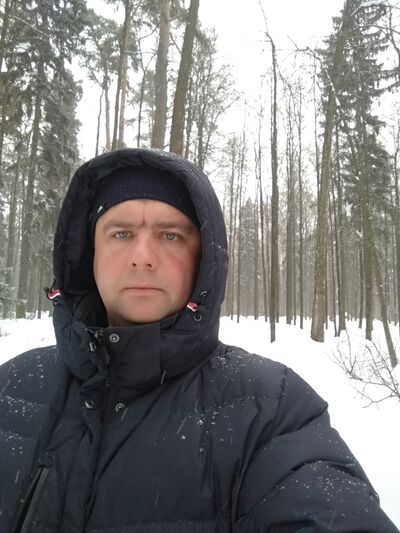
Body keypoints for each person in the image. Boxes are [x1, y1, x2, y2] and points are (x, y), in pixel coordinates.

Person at [0, 148, 397, 533]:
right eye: (120, 233)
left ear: (203, 260)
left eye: (170, 236)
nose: (142, 256)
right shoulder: (12, 385)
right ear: (90, 255)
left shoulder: (271, 408)